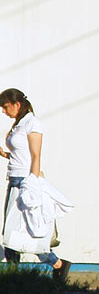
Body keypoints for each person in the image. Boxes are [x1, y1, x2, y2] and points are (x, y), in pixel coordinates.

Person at [0, 88, 71, 280]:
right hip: (14, 180)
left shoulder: (32, 123)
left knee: (24, 232)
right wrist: (4, 154)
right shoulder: (19, 124)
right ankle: (18, 274)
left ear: (17, 104)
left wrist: (32, 184)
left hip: (25, 182)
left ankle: (57, 265)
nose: (4, 112)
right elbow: (20, 155)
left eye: (6, 107)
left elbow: (35, 155)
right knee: (11, 232)